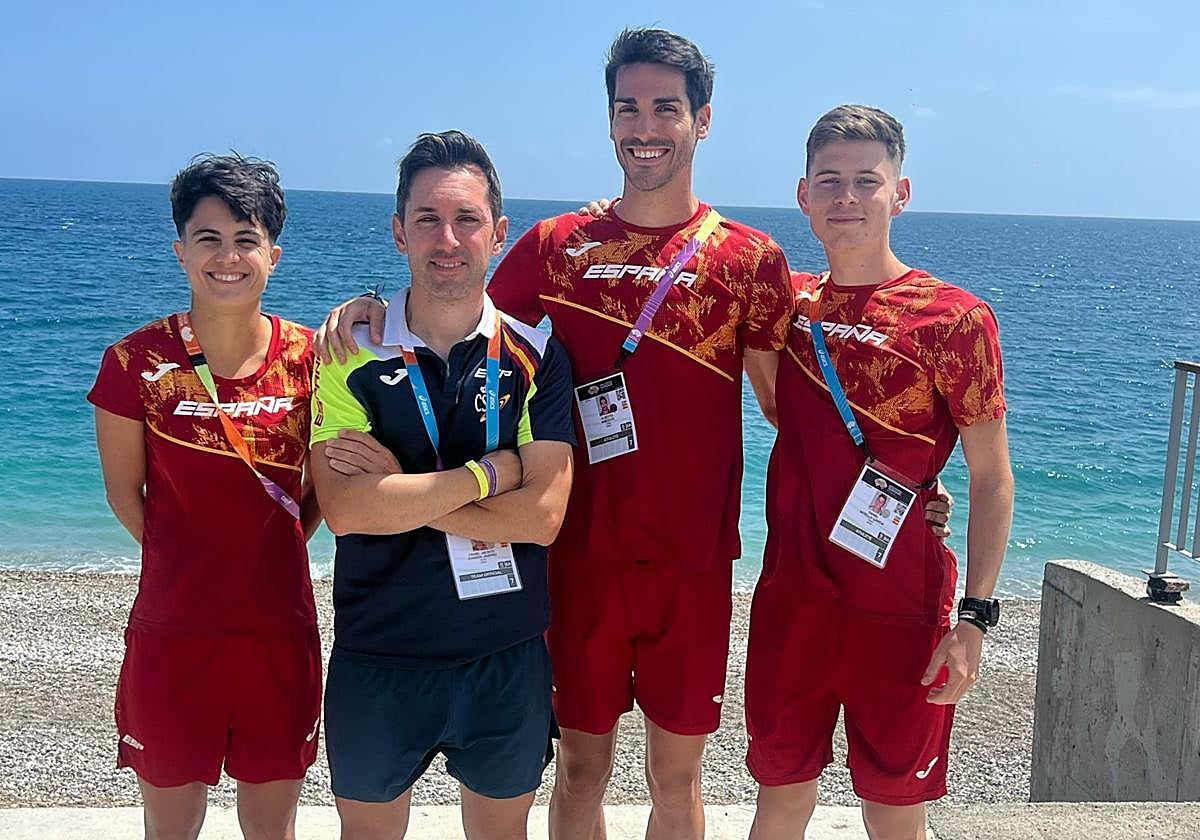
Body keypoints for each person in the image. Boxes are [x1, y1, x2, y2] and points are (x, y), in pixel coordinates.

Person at [315, 32, 955, 840]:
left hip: (692, 564)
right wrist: (366, 303)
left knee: (676, 777)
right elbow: (453, 294)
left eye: (665, 107)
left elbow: (795, 404)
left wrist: (911, 484)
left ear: (703, 120)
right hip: (578, 556)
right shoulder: (555, 249)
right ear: (609, 120)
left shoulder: (749, 260)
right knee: (581, 770)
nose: (644, 126)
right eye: (628, 108)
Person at [744, 105, 1015, 840]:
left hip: (901, 603)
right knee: (780, 797)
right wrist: (396, 319)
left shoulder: (954, 319)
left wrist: (975, 621)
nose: (846, 197)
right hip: (792, 600)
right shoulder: (781, 303)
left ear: (901, 193)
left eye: (868, 180)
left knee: (895, 809)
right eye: (828, 180)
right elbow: (664, 289)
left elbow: (992, 477)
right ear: (803, 197)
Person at [308, 130, 576, 840]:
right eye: (427, 219)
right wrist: (488, 475)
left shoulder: (538, 355)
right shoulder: (346, 351)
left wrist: (403, 493)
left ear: (499, 232)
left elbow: (543, 517)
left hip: (504, 650)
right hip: (378, 652)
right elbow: (346, 511)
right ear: (399, 232)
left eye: (467, 219)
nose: (447, 238)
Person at [87, 154, 323, 840]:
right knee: (170, 829)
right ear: (180, 250)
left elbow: (329, 489)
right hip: (172, 635)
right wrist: (185, 559)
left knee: (271, 830)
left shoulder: (311, 359)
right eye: (209, 239)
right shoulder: (133, 362)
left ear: (273, 255)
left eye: (246, 240)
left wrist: (279, 545)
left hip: (278, 635)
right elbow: (123, 495)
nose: (228, 257)